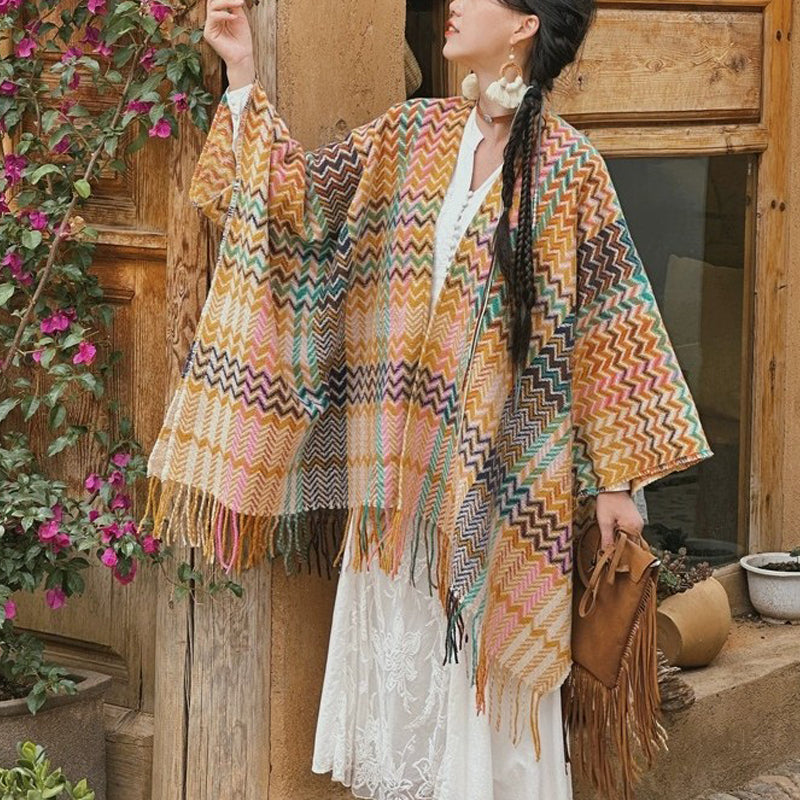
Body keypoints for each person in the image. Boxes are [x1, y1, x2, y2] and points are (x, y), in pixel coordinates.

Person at [144, 0, 713, 798]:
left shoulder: (569, 168)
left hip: (497, 494)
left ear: (524, 25)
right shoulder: (412, 134)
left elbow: (610, 323)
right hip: (398, 493)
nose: (451, 4)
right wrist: (241, 73)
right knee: (404, 714)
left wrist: (618, 482)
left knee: (479, 712)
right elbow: (296, 203)